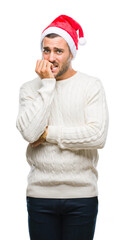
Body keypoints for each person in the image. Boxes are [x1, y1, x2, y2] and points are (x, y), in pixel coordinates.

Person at [16, 15, 109, 240]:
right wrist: (47, 84)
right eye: (46, 50)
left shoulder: (91, 85)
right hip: (40, 195)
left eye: (59, 51)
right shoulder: (30, 89)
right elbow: (29, 132)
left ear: (71, 54)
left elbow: (97, 135)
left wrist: (47, 134)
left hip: (82, 196)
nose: (51, 58)